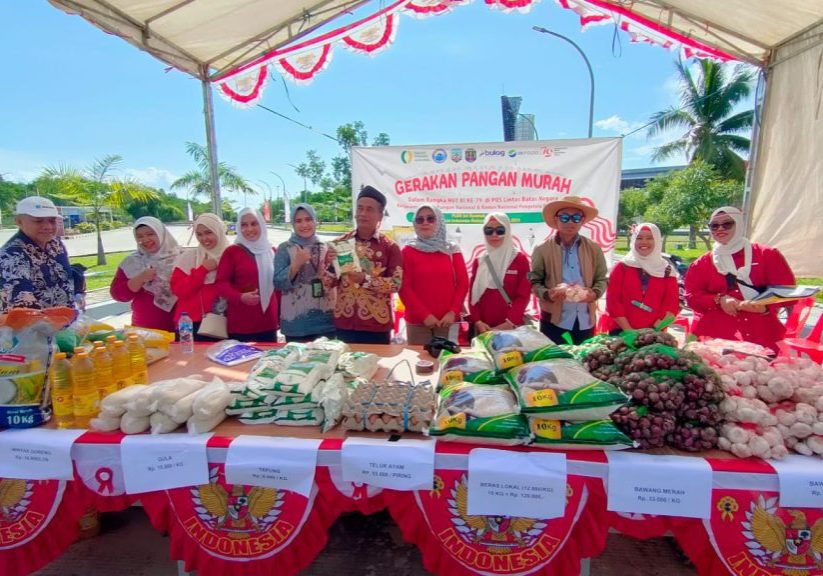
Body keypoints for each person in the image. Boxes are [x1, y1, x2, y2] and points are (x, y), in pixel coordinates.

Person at [685, 206, 796, 352]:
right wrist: (719, 300)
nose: (720, 229)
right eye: (714, 225)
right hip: (715, 338)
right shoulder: (701, 263)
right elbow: (692, 297)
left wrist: (765, 306)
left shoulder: (767, 255)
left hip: (761, 334)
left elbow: (787, 293)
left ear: (739, 224)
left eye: (727, 224)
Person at [327, 186, 402, 344]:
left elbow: (396, 284)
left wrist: (365, 279)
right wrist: (327, 265)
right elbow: (328, 283)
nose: (362, 214)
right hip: (344, 322)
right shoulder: (340, 243)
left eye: (369, 209)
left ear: (380, 215)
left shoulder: (390, 247)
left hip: (376, 324)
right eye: (360, 208)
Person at [529, 196, 608, 345]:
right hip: (554, 320)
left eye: (576, 217)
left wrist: (594, 293)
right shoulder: (542, 249)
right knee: (554, 364)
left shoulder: (593, 248)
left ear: (582, 220)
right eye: (565, 217)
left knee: (584, 363)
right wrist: (548, 294)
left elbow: (602, 278)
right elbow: (534, 281)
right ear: (556, 219)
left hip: (585, 319)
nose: (570, 222)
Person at [400, 204, 468, 345]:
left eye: (430, 218)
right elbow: (404, 287)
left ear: (439, 222)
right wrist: (425, 316)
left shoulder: (452, 250)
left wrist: (452, 312)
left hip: (448, 322)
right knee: (421, 365)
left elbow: (463, 283)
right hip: (417, 324)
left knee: (449, 364)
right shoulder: (407, 251)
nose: (425, 223)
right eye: (420, 219)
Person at [0, 196, 77, 312]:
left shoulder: (55, 243)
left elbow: (64, 278)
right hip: (32, 327)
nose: (48, 227)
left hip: (65, 321)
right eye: (38, 221)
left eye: (52, 220)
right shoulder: (11, 256)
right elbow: (22, 306)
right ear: (19, 221)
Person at [274, 203, 335, 342]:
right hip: (297, 323)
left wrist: (331, 265)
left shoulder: (327, 247)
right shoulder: (285, 248)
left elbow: (335, 281)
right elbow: (277, 282)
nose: (304, 224)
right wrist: (295, 264)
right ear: (293, 224)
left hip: (326, 320)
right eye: (298, 221)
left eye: (308, 219)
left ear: (315, 221)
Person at [216, 208, 279, 342]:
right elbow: (221, 283)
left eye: (254, 223)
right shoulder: (232, 252)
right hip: (242, 323)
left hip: (269, 321)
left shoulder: (272, 251)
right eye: (244, 225)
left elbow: (277, 287)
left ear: (261, 225)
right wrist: (240, 297)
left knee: (269, 362)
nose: (249, 229)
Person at [605, 223, 680, 333]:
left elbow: (671, 304)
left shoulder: (666, 270)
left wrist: (653, 332)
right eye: (639, 238)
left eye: (649, 238)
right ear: (633, 240)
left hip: (655, 333)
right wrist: (629, 331)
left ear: (657, 240)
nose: (644, 242)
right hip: (622, 332)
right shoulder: (622, 267)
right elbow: (613, 301)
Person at [110, 216, 181, 331]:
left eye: (150, 234)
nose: (145, 240)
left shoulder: (183, 258)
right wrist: (141, 278)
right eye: (140, 236)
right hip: (144, 331)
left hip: (181, 329)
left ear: (161, 234)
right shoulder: (132, 262)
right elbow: (118, 294)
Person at [468, 212, 531, 335]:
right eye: (489, 230)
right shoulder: (480, 260)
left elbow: (524, 294)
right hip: (484, 329)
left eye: (500, 230)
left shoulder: (519, 259)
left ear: (507, 231)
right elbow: (473, 296)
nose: (494, 235)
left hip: (511, 328)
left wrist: (510, 322)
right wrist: (478, 321)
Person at [170, 213, 228, 341]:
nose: (204, 238)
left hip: (222, 323)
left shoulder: (231, 255)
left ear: (218, 231)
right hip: (190, 323)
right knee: (190, 358)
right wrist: (203, 269)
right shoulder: (189, 257)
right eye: (199, 234)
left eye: (209, 232)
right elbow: (179, 290)